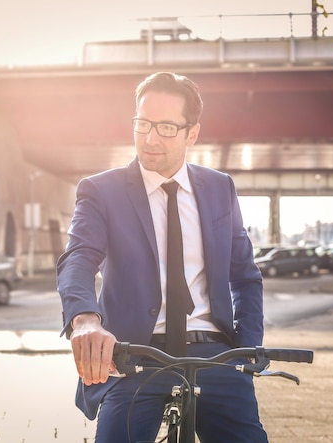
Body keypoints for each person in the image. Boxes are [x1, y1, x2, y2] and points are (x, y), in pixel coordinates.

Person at [57, 71, 267, 442]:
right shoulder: (100, 190)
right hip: (135, 357)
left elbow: (245, 277)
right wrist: (85, 320)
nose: (150, 138)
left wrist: (247, 350)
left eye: (167, 127)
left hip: (216, 355)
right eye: (142, 124)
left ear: (192, 133)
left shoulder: (220, 188)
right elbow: (79, 257)